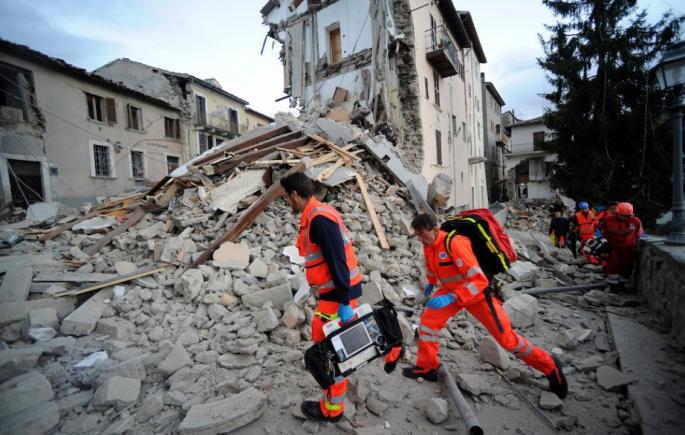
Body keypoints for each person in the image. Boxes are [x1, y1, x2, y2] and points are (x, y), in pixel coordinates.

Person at [402, 213, 568, 399]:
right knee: (428, 322)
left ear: (434, 230)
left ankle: (550, 366)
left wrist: (453, 297)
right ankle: (427, 367)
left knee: (507, 340)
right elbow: (432, 266)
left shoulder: (455, 243)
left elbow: (479, 280)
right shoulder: (429, 244)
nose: (419, 239)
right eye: (416, 235)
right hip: (450, 291)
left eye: (421, 234)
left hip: (476, 295)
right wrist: (432, 282)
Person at [280, 172, 402, 422]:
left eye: (286, 198)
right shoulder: (318, 213)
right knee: (344, 340)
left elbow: (337, 261)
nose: (286, 203)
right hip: (337, 292)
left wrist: (345, 300)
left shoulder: (319, 219)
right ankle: (392, 350)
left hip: (338, 295)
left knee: (327, 350)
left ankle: (332, 410)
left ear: (294, 194)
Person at [598, 202, 642, 293]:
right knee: (613, 265)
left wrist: (637, 243)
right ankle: (613, 286)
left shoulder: (635, 221)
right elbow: (604, 230)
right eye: (622, 215)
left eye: (627, 216)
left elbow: (638, 233)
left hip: (628, 248)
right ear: (617, 213)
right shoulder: (608, 220)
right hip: (613, 247)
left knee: (626, 266)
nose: (624, 217)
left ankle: (622, 285)